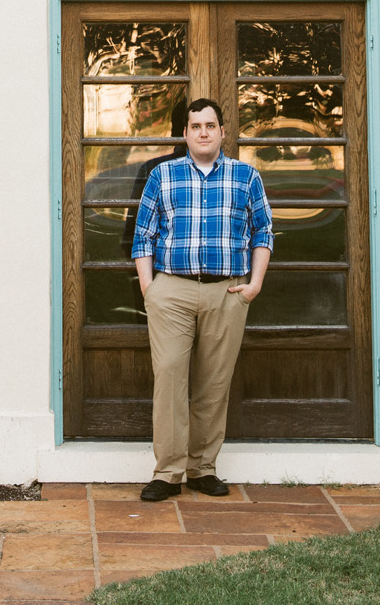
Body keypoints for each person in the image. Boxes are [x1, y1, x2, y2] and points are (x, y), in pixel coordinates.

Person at [129, 97, 273, 502]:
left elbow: (263, 232)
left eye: (211, 125)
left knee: (214, 383)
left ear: (223, 132)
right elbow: (143, 235)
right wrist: (150, 288)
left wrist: (255, 284)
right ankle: (168, 472)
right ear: (186, 133)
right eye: (196, 126)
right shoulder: (163, 175)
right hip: (171, 289)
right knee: (171, 378)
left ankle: (202, 468)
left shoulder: (246, 177)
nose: (204, 133)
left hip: (227, 290)